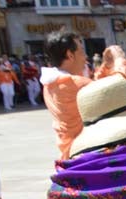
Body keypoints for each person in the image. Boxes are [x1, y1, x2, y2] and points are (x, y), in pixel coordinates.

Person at [41, 30, 92, 159]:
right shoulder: (76, 84)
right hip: (86, 154)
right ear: (70, 55)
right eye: (81, 51)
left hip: (67, 153)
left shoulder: (48, 84)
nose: (85, 57)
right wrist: (118, 60)